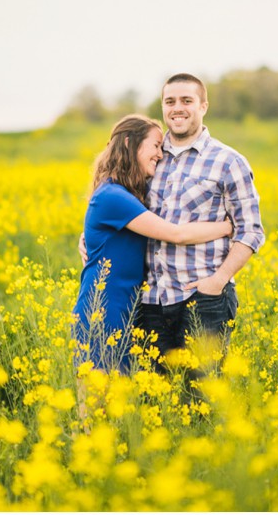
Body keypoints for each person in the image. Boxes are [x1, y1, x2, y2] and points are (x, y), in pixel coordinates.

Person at [73, 114, 233, 373]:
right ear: (129, 143)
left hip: (127, 314)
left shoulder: (124, 193)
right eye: (156, 146)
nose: (160, 154)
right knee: (97, 407)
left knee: (119, 407)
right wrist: (228, 227)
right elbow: (176, 234)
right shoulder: (113, 195)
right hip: (103, 313)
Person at [135, 73, 265, 365]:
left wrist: (217, 281)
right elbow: (120, 208)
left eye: (186, 101)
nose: (177, 108)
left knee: (202, 399)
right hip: (151, 302)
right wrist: (90, 238)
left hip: (203, 300)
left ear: (203, 106)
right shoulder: (148, 158)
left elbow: (251, 231)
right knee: (157, 402)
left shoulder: (229, 161)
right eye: (170, 101)